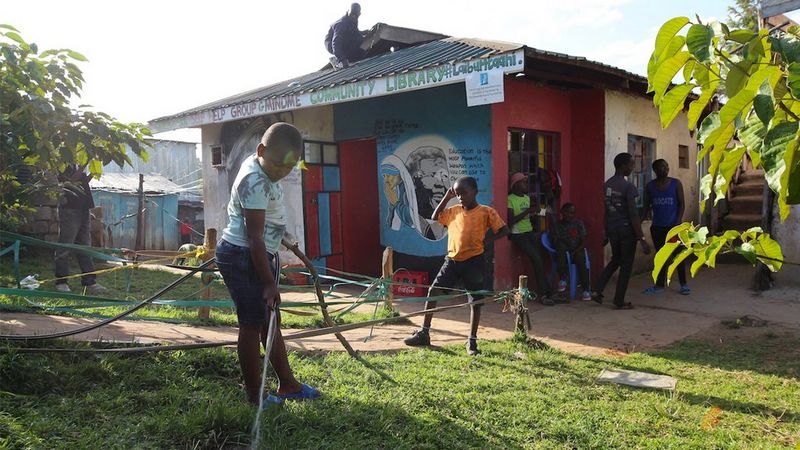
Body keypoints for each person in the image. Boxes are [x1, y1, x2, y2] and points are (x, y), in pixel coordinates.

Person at [215, 122, 320, 405]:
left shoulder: (263, 169)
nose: (282, 172)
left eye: (290, 167)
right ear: (261, 150)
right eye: (277, 164)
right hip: (243, 255)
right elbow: (254, 238)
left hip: (260, 254)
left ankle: (288, 385)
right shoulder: (255, 180)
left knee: (270, 322)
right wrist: (269, 283)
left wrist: (280, 238)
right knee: (251, 325)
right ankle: (255, 396)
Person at [403, 176, 509, 355]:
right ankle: (424, 333)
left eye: (463, 193)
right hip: (452, 260)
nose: (460, 197)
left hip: (474, 261)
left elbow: (504, 230)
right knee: (433, 291)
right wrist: (446, 197)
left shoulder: (486, 212)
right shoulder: (453, 211)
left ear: (474, 191)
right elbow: (435, 217)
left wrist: (487, 239)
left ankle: (472, 342)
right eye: (457, 194)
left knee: (476, 301)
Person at [592, 153, 651, 310]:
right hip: (626, 232)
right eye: (631, 165)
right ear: (623, 166)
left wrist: (606, 232)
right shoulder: (628, 187)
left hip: (613, 229)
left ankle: (597, 290)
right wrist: (643, 239)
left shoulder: (607, 185)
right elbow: (633, 215)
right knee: (626, 265)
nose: (632, 168)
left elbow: (606, 211)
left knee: (616, 259)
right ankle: (619, 300)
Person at [54, 165, 108, 294]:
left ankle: (90, 282)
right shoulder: (63, 160)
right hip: (69, 208)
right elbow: (70, 183)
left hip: (84, 207)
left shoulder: (77, 162)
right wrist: (85, 163)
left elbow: (81, 182)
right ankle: (61, 282)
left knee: (85, 247)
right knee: (65, 246)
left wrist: (92, 173)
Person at [506, 172, 555, 305]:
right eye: (523, 182)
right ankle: (544, 294)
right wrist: (528, 211)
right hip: (518, 235)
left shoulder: (527, 198)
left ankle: (548, 292)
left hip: (529, 232)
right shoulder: (510, 199)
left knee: (541, 258)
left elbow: (530, 217)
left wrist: (538, 213)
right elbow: (511, 221)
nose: (526, 185)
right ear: (516, 185)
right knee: (537, 258)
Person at [643, 159, 689, 295]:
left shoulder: (676, 184)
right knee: (661, 257)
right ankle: (659, 285)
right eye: (661, 167)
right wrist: (639, 222)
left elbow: (682, 204)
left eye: (666, 166)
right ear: (655, 170)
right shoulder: (650, 186)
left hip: (673, 227)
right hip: (657, 227)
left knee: (678, 256)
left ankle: (683, 284)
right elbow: (646, 207)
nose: (664, 169)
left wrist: (678, 221)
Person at [553, 203, 591, 301]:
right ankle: (563, 278)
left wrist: (576, 250)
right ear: (562, 212)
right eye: (567, 212)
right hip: (564, 250)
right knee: (560, 248)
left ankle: (585, 290)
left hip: (577, 249)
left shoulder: (578, 223)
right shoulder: (557, 225)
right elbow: (555, 240)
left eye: (572, 213)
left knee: (580, 260)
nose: (569, 215)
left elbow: (583, 240)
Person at [324, 3, 365, 68]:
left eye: (355, 15)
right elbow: (336, 43)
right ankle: (338, 60)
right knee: (356, 41)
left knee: (360, 39)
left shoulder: (354, 20)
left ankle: (348, 56)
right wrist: (342, 59)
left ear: (359, 14)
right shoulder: (341, 24)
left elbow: (355, 32)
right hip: (332, 43)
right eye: (352, 14)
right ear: (348, 11)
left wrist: (365, 32)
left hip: (344, 40)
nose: (353, 17)